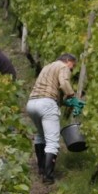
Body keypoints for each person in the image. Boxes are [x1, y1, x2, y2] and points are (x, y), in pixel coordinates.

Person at [26, 53, 78, 184]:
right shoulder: (63, 66)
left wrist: (63, 102)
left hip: (32, 103)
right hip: (47, 104)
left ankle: (41, 169)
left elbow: (50, 89)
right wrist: (72, 96)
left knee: (40, 136)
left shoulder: (47, 67)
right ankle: (48, 177)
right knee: (52, 142)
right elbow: (64, 83)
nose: (72, 69)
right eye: (72, 65)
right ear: (67, 60)